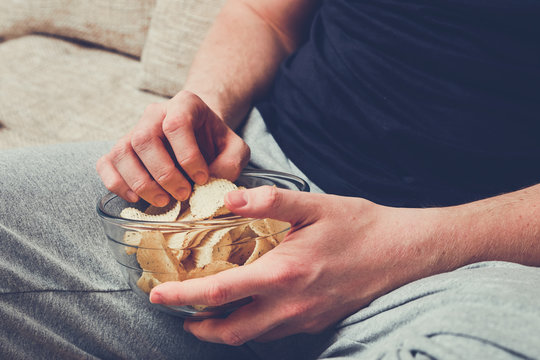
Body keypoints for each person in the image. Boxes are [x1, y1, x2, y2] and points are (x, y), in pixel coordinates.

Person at [2, 0, 540, 359]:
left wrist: (407, 246)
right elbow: (264, 13)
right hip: (265, 166)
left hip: (475, 255)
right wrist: (208, 109)